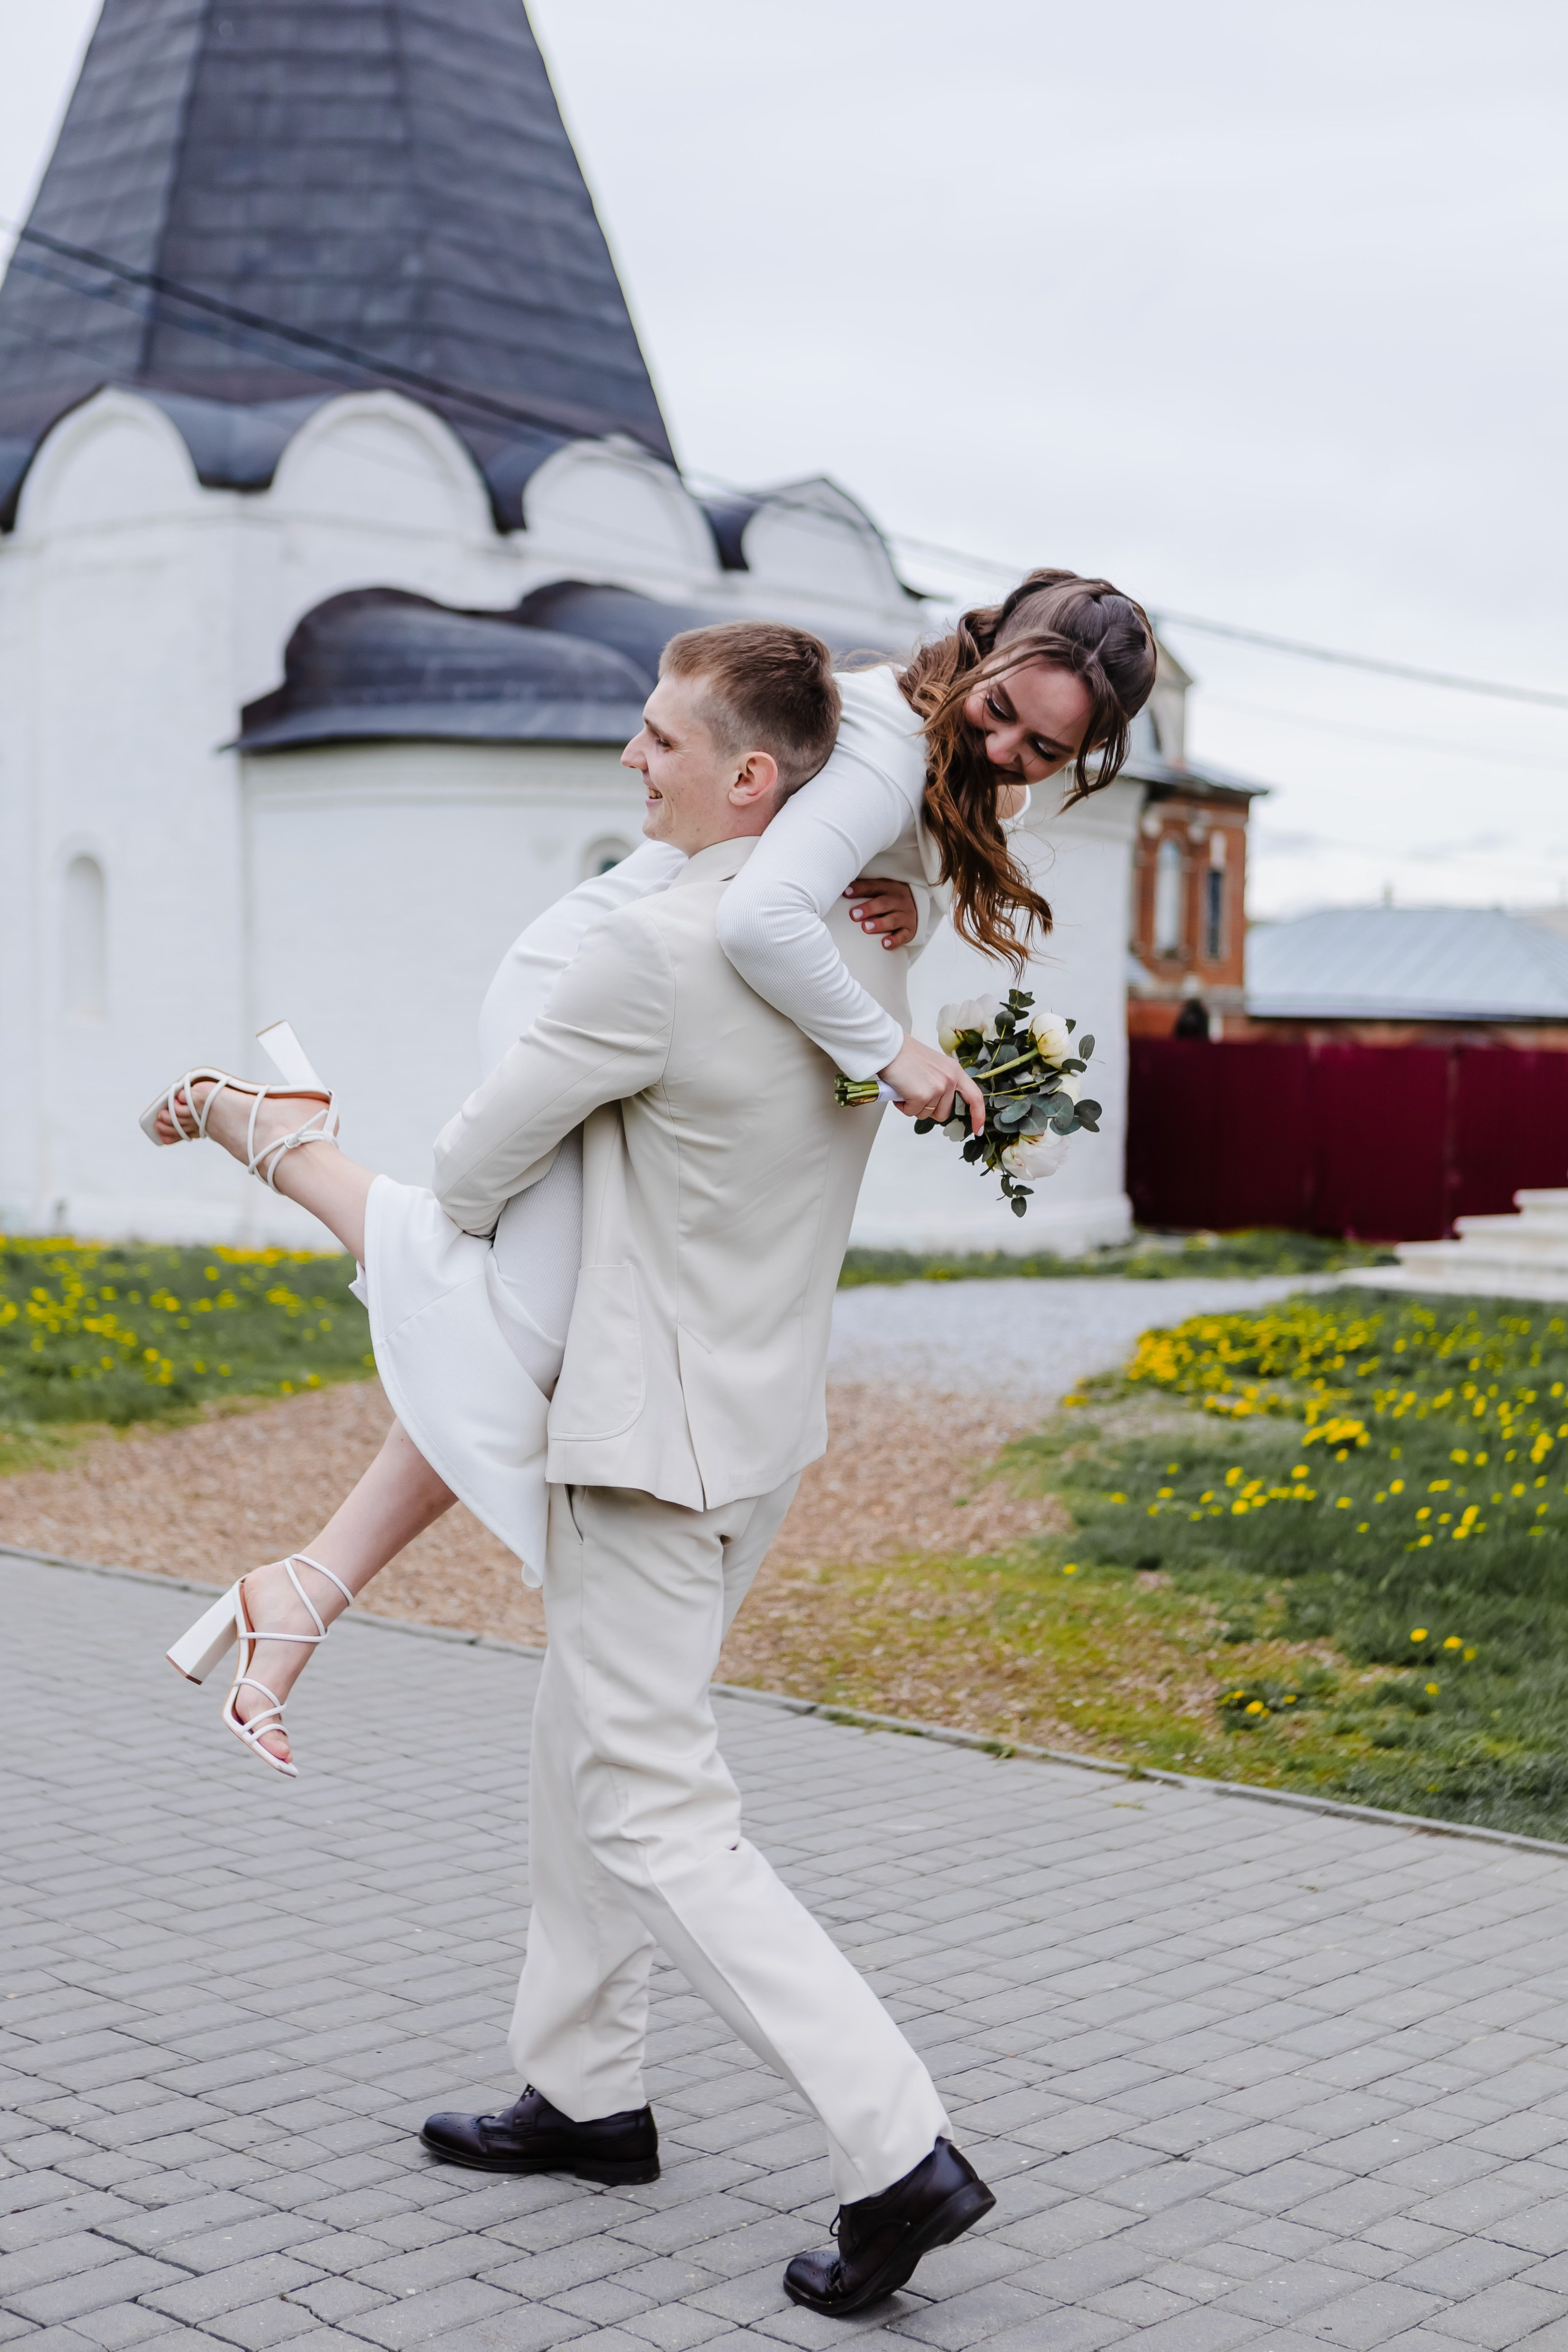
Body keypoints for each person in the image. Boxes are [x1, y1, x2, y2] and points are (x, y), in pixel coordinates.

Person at [153, 572, 1156, 1774]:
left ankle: (304, 1587)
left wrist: (914, 905)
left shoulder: (935, 745)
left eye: (1043, 751)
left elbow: (831, 881)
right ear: (983, 647)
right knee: (527, 1324)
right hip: (595, 990)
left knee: (528, 1333)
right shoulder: (894, 745)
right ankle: (273, 1138)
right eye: (999, 715)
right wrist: (887, 1050)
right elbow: (759, 918)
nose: (1003, 754)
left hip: (656, 1011)